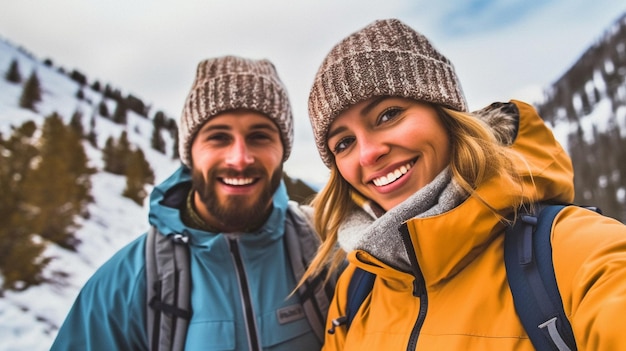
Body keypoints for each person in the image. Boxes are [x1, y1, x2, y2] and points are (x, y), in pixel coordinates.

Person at [300, 18, 626, 350]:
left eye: (388, 114)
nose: (368, 154)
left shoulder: (576, 252)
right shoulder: (355, 290)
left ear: (446, 114)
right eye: (343, 143)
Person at [51, 56, 334, 351]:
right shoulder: (123, 286)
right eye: (218, 137)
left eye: (259, 136)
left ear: (283, 151)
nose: (239, 158)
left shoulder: (328, 248)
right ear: (190, 153)